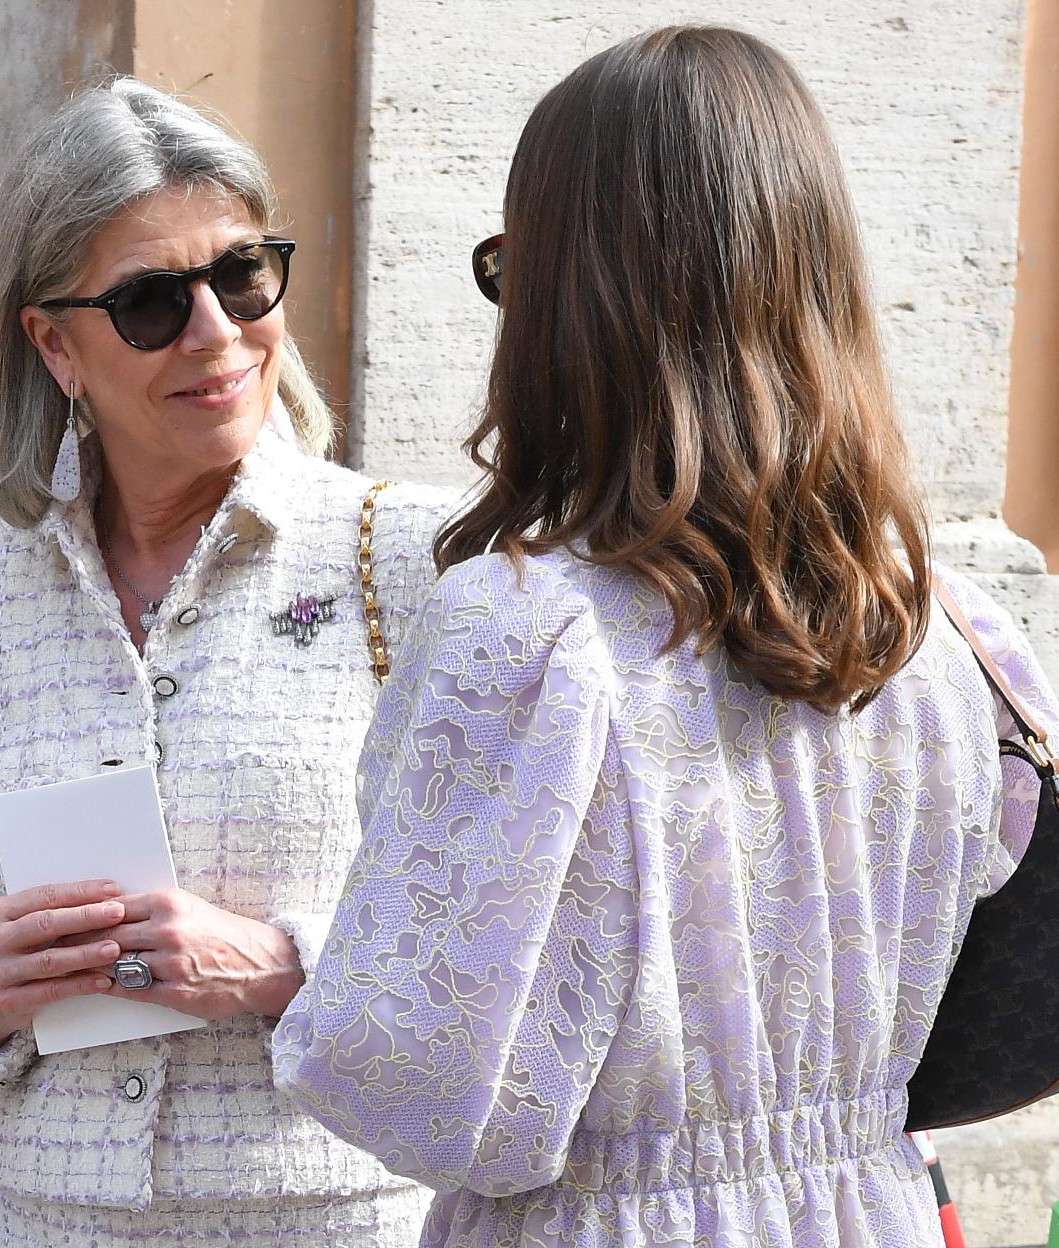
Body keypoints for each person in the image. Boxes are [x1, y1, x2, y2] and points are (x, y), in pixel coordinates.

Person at [273, 26, 1059, 1248]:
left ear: (573, 301)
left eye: (513, 270)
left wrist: (291, 985)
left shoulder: (530, 634)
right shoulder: (944, 631)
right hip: (870, 1210)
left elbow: (429, 1097)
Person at [0, 78, 454, 1247]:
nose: (217, 333)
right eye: (148, 303)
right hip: (56, 1221)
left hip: (348, 1217)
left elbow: (507, 940)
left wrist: (287, 966)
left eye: (242, 274)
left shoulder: (409, 557)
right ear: (53, 344)